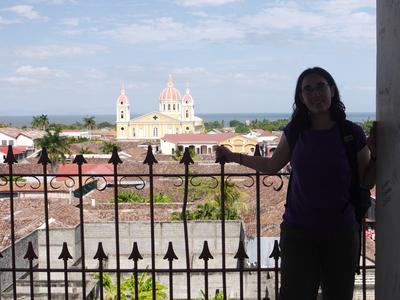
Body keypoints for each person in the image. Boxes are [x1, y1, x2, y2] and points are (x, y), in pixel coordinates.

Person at [216, 67, 376, 300]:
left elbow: (365, 180)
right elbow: (273, 165)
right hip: (299, 230)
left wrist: (378, 156)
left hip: (341, 231)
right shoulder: (295, 131)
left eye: (320, 86)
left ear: (332, 90)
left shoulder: (351, 133)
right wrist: (233, 156)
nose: (315, 93)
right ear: (301, 98)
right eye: (307, 89)